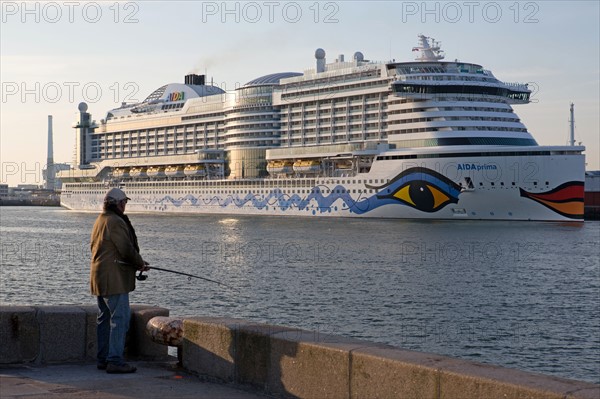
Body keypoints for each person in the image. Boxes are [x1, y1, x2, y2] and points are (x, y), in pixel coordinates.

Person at [90, 188, 149, 373]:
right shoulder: (115, 222)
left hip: (100, 277)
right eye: (124, 202)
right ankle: (114, 360)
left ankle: (103, 359)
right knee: (119, 319)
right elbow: (125, 249)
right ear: (118, 203)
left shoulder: (101, 220)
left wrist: (137, 262)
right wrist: (140, 263)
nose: (125, 206)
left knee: (104, 319)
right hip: (113, 278)